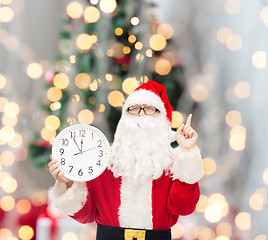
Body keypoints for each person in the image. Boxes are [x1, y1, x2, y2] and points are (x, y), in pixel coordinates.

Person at [48, 81, 204, 240]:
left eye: (150, 109)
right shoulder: (103, 159)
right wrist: (67, 183)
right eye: (134, 108)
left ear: (163, 119)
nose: (141, 114)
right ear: (125, 117)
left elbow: (183, 208)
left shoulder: (173, 162)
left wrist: (187, 153)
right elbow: (85, 214)